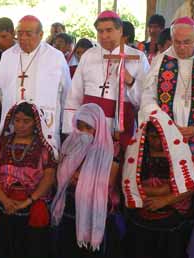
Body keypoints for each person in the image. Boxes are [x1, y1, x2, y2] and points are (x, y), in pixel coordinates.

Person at [140, 17, 194, 180]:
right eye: (176, 42)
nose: (181, 47)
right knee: (166, 180)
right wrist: (164, 124)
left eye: (187, 42)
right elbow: (147, 97)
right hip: (165, 133)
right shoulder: (160, 61)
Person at [123, 110, 194, 258]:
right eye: (151, 137)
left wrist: (164, 199)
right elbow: (129, 181)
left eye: (158, 137)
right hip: (145, 202)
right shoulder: (139, 153)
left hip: (172, 205)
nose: (154, 141)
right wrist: (153, 192)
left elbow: (191, 186)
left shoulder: (179, 151)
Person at [51, 103, 123, 258]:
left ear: (98, 127)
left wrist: (80, 178)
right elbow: (60, 172)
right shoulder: (70, 143)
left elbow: (109, 181)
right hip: (71, 200)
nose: (83, 132)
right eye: (79, 126)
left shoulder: (111, 148)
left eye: (88, 127)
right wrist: (68, 176)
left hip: (95, 201)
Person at [64, 10, 149, 152]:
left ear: (120, 30)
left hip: (120, 129)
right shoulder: (88, 56)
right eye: (100, 31)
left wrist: (129, 80)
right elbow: (74, 95)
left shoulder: (138, 57)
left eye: (109, 30)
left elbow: (144, 100)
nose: (104, 36)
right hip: (87, 128)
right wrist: (70, 131)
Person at [0, 102, 57, 258]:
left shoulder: (43, 147)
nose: (20, 125)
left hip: (33, 199)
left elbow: (49, 177)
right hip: (6, 197)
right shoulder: (2, 143)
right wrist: (4, 199)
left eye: (26, 121)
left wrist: (28, 201)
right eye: (17, 120)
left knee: (38, 213)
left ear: (36, 123)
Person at [0, 15, 71, 158]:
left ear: (41, 35)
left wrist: (64, 126)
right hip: (14, 124)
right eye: (20, 33)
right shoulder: (7, 56)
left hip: (44, 123)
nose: (22, 38)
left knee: (43, 163)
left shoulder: (55, 57)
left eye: (28, 34)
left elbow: (67, 93)